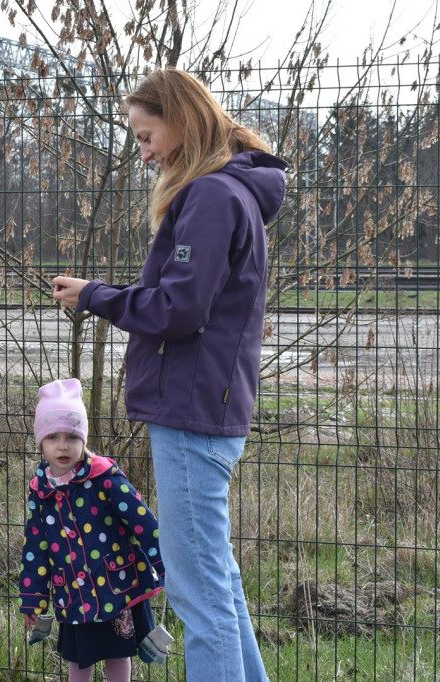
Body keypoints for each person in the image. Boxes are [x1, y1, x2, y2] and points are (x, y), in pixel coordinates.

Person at [51, 68, 287, 681]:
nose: (145, 150)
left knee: (197, 595)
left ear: (181, 119)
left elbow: (180, 310)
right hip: (210, 405)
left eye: (147, 134)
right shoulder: (233, 191)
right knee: (219, 583)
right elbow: (185, 298)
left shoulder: (210, 195)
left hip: (190, 411)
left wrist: (96, 296)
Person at [18, 378, 164, 682]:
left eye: (72, 436)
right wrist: (33, 597)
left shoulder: (105, 478)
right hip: (73, 594)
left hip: (117, 585)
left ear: (83, 439)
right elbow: (35, 549)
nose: (62, 445)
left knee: (118, 653)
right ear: (40, 442)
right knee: (79, 659)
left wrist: (167, 566)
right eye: (53, 437)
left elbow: (143, 521)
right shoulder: (40, 493)